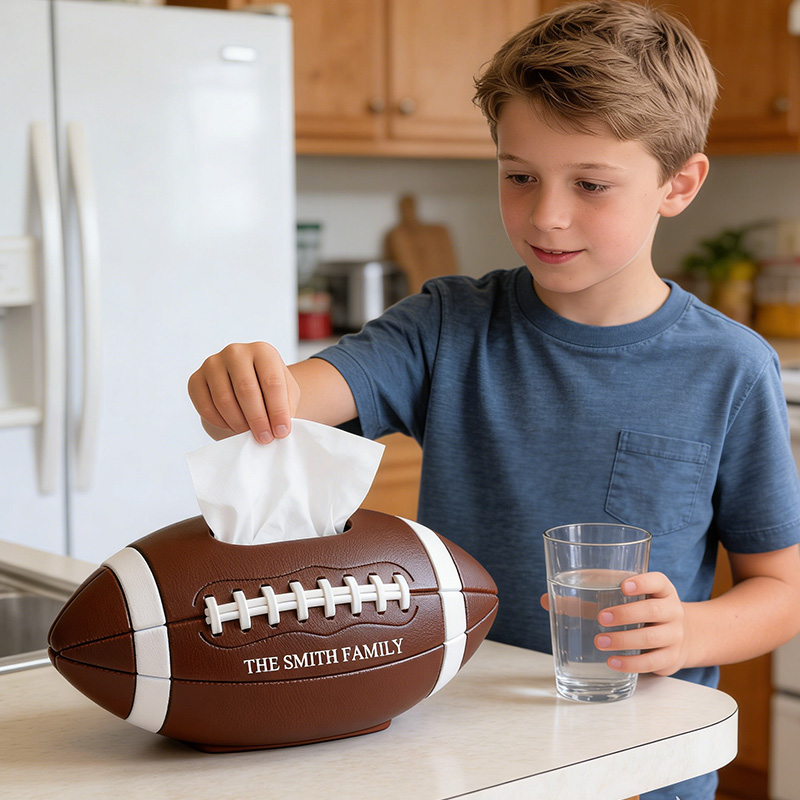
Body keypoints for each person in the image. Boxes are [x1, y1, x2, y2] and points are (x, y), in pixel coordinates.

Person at [188, 3, 800, 798]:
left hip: (643, 765)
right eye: (519, 176)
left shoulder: (730, 367)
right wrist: (245, 387)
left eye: (591, 184)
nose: (546, 214)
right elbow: (302, 397)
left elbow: (781, 590)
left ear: (679, 184)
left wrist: (691, 631)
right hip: (458, 750)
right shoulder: (448, 325)